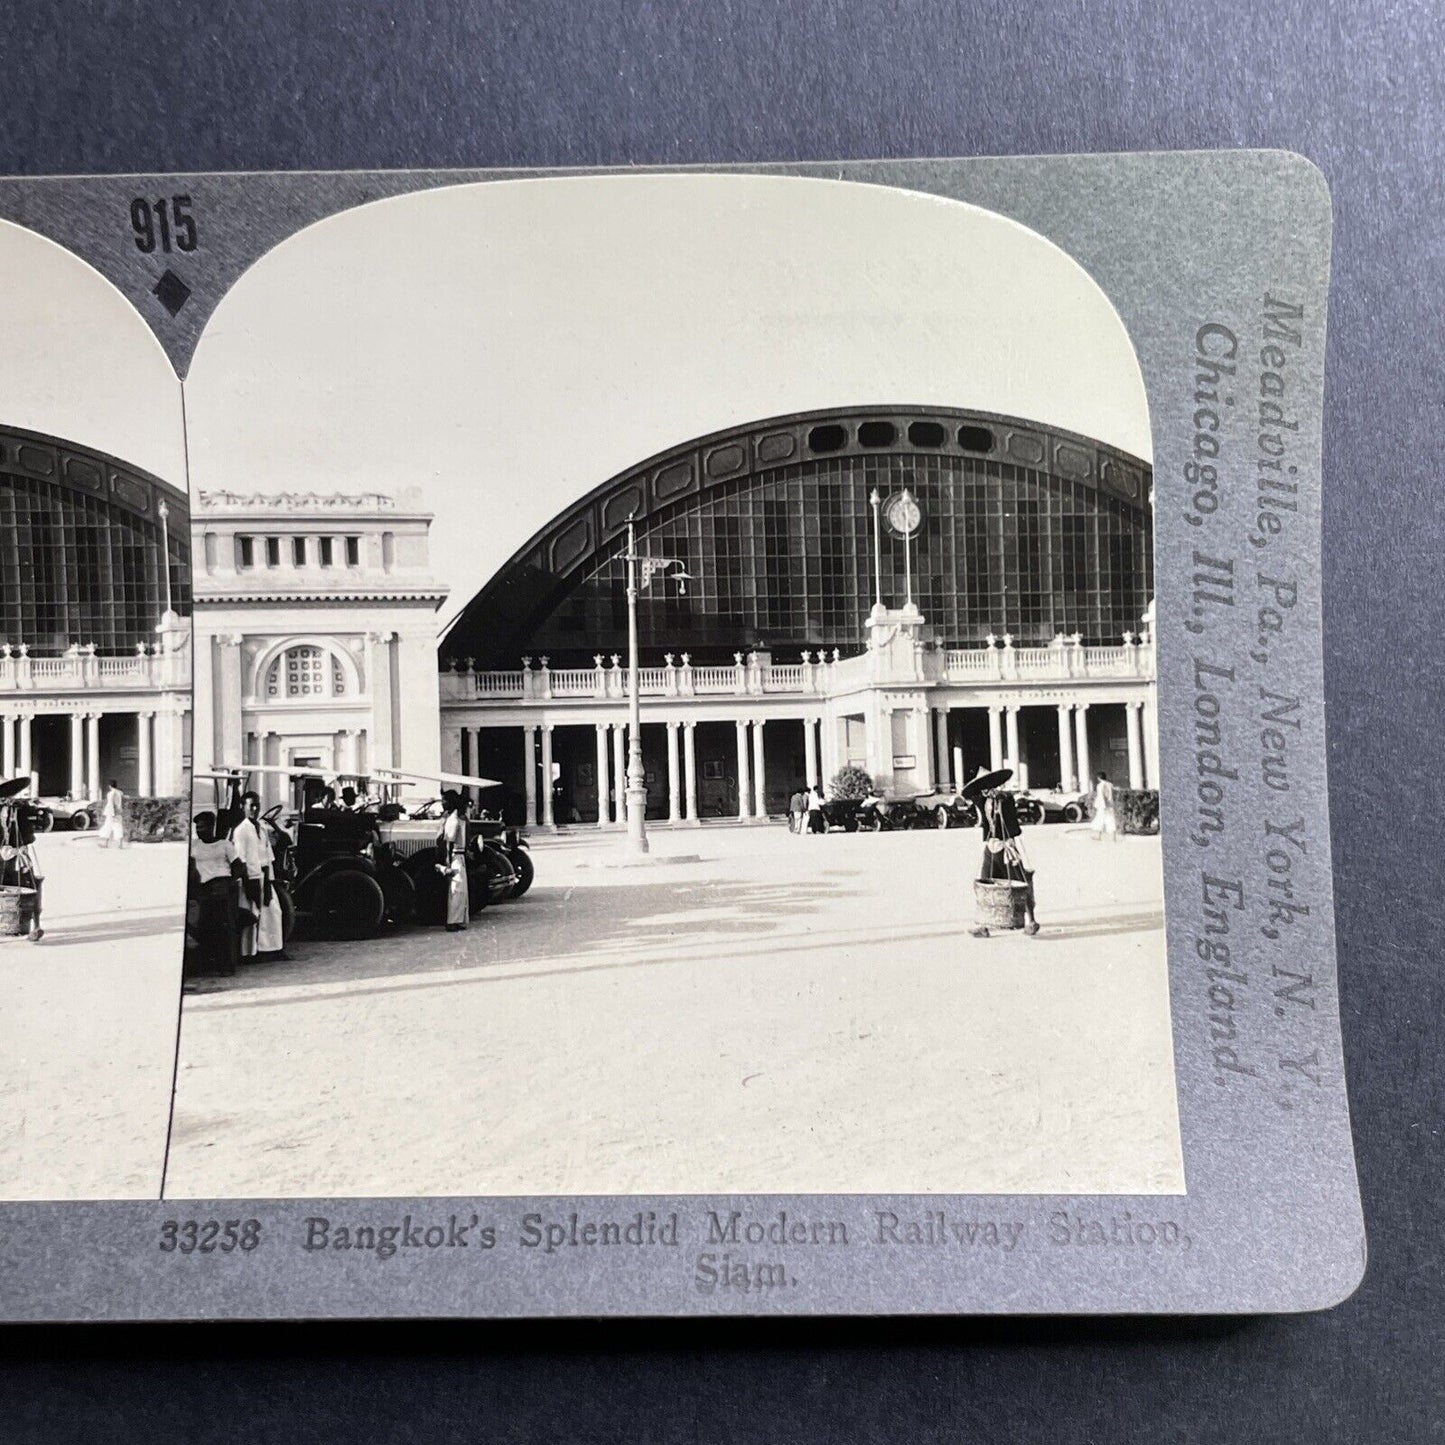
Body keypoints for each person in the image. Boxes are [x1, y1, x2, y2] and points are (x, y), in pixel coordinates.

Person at [961, 766, 1039, 938]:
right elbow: (967, 796)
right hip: (991, 846)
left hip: (1006, 847)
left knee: (1021, 881)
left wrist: (1001, 797)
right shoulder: (982, 800)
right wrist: (984, 793)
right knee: (984, 883)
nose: (986, 789)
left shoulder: (1005, 798)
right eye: (982, 787)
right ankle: (982, 924)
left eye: (988, 785)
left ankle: (1031, 920)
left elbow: (1010, 806)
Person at [230, 790, 288, 960]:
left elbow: (268, 856)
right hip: (251, 878)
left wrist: (269, 882)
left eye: (257, 805)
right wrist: (249, 884)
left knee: (273, 912)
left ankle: (272, 949)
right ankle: (249, 953)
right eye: (251, 805)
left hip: (264, 877)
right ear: (243, 807)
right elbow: (241, 860)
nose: (255, 808)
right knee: (252, 915)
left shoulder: (261, 828)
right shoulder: (241, 830)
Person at [186, 811, 241, 977]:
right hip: (202, 889)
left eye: (202, 827)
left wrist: (230, 884)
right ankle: (204, 965)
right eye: (197, 827)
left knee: (223, 929)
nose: (199, 830)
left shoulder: (225, 845)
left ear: (211, 827)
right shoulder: (194, 846)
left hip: (221, 887)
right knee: (202, 927)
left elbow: (239, 867)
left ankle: (226, 966)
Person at [0, 778, 45, 941]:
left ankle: (36, 925)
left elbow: (28, 835)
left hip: (16, 854)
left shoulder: (19, 810)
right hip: (3, 854)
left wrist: (20, 814)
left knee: (30, 884)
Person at [438, 789, 470, 931]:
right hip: (455, 856)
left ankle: (459, 919)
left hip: (460, 855)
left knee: (460, 890)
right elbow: (448, 843)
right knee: (456, 889)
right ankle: (452, 921)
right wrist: (447, 863)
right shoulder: (453, 820)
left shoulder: (458, 819)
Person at [97, 778, 127, 848]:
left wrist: (112, 813)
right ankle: (120, 844)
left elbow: (111, 804)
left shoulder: (111, 794)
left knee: (107, 827)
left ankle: (105, 843)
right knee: (118, 827)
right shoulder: (120, 793)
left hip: (112, 813)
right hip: (119, 812)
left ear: (110, 786)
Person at [1090, 771, 1118, 841]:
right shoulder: (1110, 784)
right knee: (1111, 820)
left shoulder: (1100, 785)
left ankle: (1098, 836)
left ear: (1099, 777)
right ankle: (1113, 837)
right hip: (1110, 805)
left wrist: (1100, 805)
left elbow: (1102, 795)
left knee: (1100, 820)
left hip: (1103, 805)